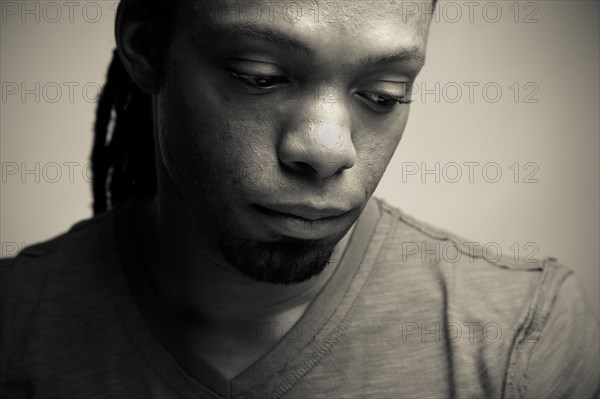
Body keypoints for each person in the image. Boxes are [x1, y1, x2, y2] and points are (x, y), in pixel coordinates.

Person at [1, 0, 598, 397]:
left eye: (384, 94)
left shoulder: (523, 335)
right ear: (146, 47)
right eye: (260, 74)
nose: (329, 150)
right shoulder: (15, 327)